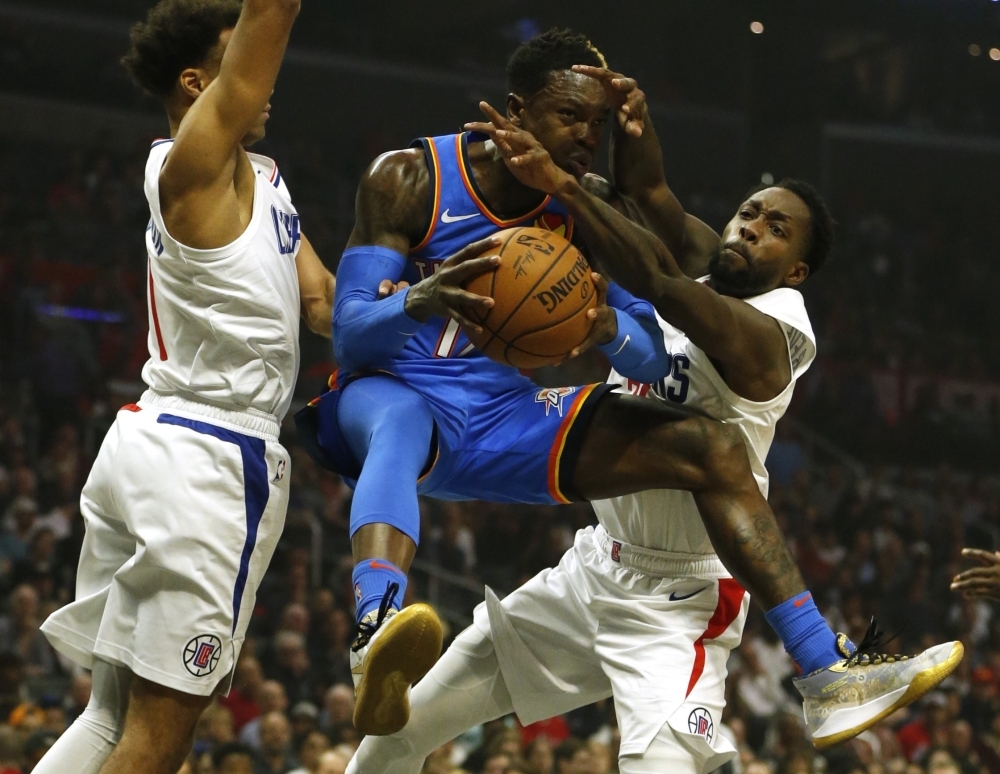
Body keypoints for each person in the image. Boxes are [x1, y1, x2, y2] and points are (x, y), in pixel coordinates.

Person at [304, 28, 962, 746]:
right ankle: (376, 628)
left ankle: (823, 668)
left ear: (798, 269)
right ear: (517, 110)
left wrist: (605, 328)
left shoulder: (773, 319)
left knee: (712, 449)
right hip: (449, 439)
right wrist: (420, 299)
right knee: (399, 424)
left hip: (656, 559)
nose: (589, 136)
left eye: (599, 124)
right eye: (572, 118)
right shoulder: (412, 177)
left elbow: (652, 314)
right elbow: (351, 338)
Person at [29, 0, 339, 771]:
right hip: (209, 459)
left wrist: (433, 304)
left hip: (162, 442)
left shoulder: (265, 177)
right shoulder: (188, 165)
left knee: (112, 713)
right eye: (243, 65)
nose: (267, 86)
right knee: (161, 732)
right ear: (199, 80)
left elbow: (324, 306)